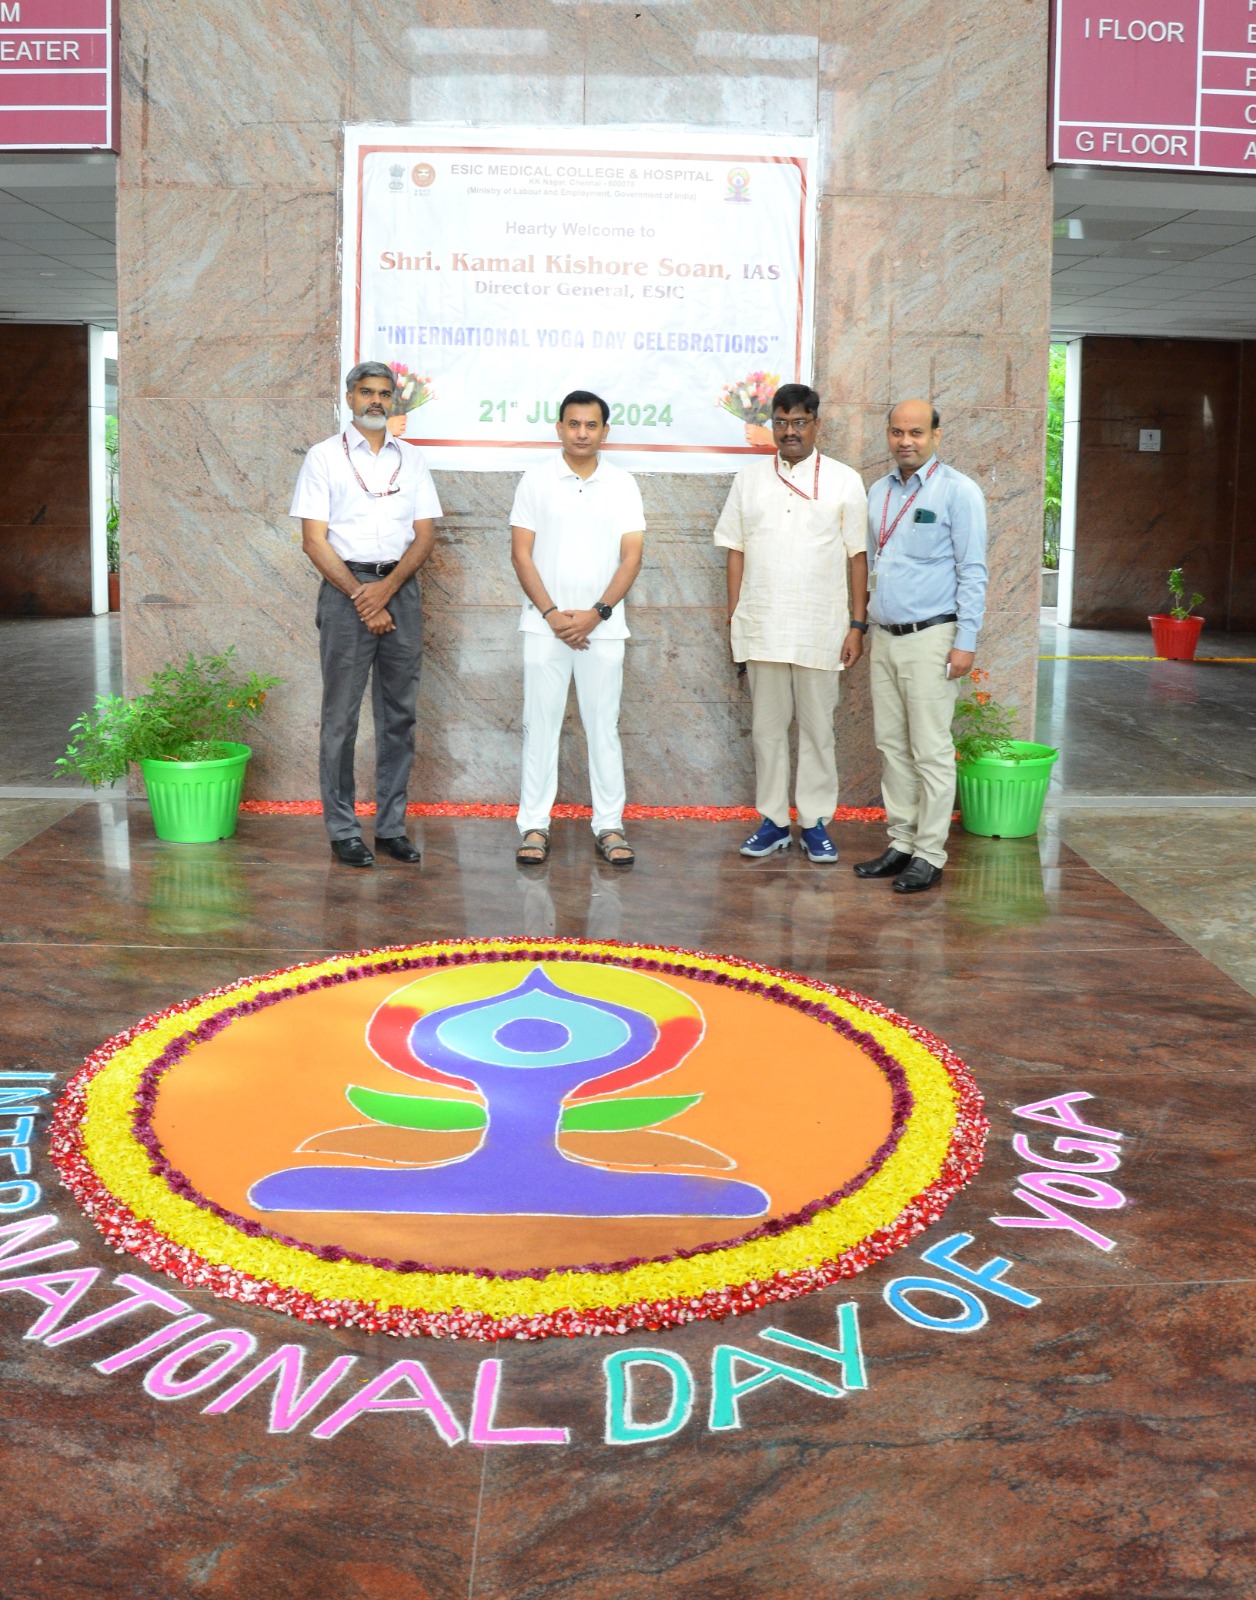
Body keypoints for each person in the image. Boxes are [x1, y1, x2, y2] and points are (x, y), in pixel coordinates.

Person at [290, 361, 440, 867]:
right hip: (344, 592)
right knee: (341, 718)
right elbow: (314, 541)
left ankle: (391, 828)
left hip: (401, 589)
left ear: (393, 400)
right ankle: (343, 830)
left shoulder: (412, 459)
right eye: (366, 392)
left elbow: (425, 535)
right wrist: (362, 596)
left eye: (384, 393)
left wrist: (387, 590)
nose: (375, 400)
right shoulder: (323, 457)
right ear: (350, 398)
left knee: (399, 716)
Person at [713, 383, 869, 863]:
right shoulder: (750, 480)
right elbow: (735, 549)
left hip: (821, 628)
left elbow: (858, 556)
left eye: (799, 422)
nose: (789, 431)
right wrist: (736, 615)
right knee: (767, 730)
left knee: (819, 731)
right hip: (762, 625)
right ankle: (775, 821)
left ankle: (815, 822)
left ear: (816, 424)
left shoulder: (844, 480)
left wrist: (857, 624)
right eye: (780, 422)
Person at [855, 398, 988, 894]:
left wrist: (965, 642)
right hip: (886, 637)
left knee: (930, 750)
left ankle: (930, 853)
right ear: (888, 435)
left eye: (916, 432)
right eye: (897, 432)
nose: (905, 441)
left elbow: (973, 571)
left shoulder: (958, 491)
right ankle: (902, 842)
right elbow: (875, 562)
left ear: (936, 436)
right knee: (892, 746)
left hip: (933, 637)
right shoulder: (879, 491)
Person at [509, 390, 645, 866]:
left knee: (603, 727)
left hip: (602, 628)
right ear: (560, 428)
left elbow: (632, 557)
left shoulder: (623, 483)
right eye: (573, 424)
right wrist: (551, 614)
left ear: (605, 431)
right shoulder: (536, 480)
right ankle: (534, 826)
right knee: (539, 728)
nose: (582, 433)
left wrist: (596, 613)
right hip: (543, 626)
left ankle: (609, 825)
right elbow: (521, 554)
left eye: (591, 425)